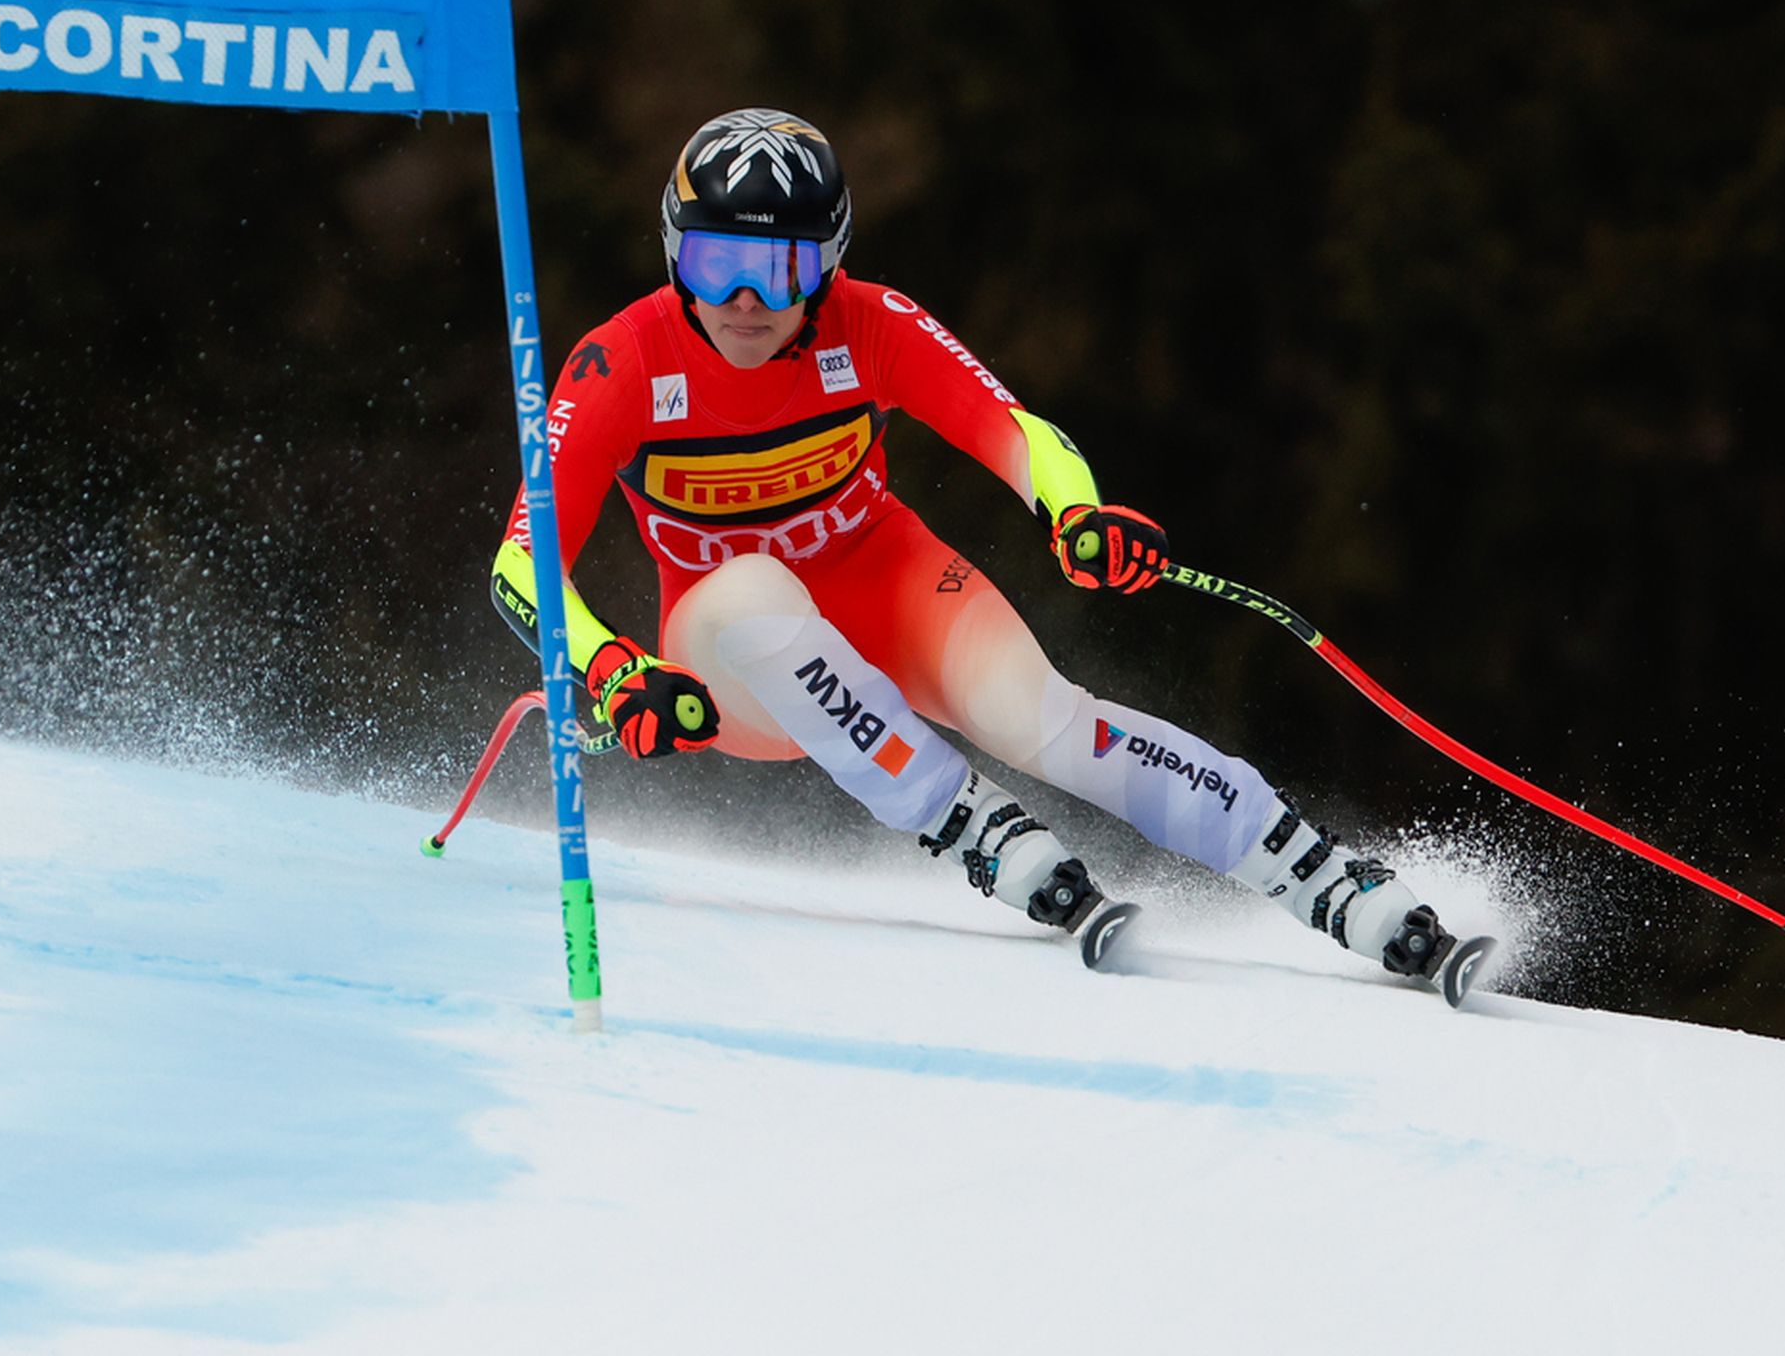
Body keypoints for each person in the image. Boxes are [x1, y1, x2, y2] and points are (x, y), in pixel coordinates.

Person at [490, 107, 1458, 980]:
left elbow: (1013, 429)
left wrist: (1074, 514)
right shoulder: (620, 363)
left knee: (1050, 721)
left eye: (781, 268)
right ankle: (971, 824)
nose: (746, 299)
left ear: (828, 263)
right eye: (715, 265)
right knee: (748, 585)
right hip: (739, 665)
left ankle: (1324, 877)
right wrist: (616, 669)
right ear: (673, 256)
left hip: (887, 585)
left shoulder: (872, 324)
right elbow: (519, 564)